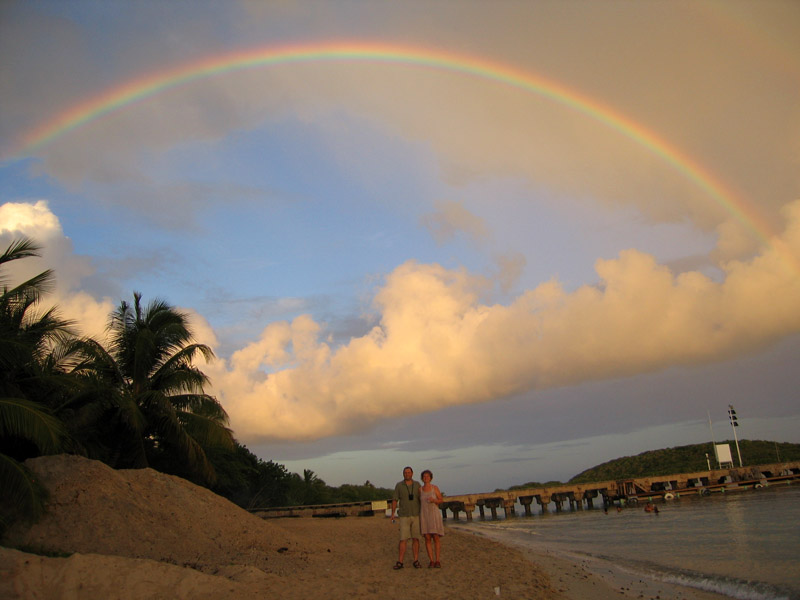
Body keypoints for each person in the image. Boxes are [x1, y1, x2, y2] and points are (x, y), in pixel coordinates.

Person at [391, 466, 422, 569]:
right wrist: (392, 513)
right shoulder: (399, 485)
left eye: (409, 472)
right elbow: (395, 500)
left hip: (416, 515)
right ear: (403, 474)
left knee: (416, 539)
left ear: (412, 473)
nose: (407, 474)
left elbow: (422, 498)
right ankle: (400, 561)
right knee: (403, 539)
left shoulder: (417, 485)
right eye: (405, 473)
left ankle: (416, 560)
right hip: (404, 516)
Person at [419, 469, 444, 568]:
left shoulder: (435, 488)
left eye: (427, 476)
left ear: (431, 478)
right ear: (422, 478)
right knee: (427, 538)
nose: (426, 478)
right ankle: (431, 560)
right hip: (425, 515)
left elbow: (441, 500)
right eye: (424, 477)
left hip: (434, 514)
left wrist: (434, 500)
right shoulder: (420, 490)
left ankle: (437, 560)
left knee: (436, 537)